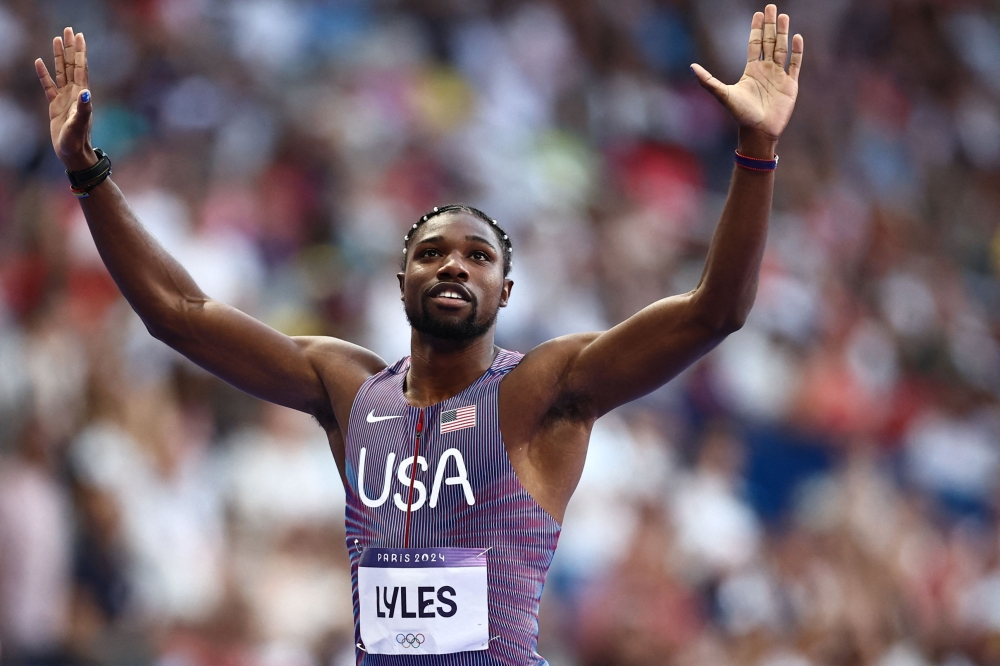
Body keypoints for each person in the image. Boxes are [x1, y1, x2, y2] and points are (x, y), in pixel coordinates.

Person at [34, 5, 803, 664]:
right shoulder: (347, 389)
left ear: (507, 288)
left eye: (477, 257)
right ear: (398, 281)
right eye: (430, 253)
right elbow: (178, 314)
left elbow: (716, 311)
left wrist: (757, 150)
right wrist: (87, 173)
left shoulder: (545, 389)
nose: (452, 267)